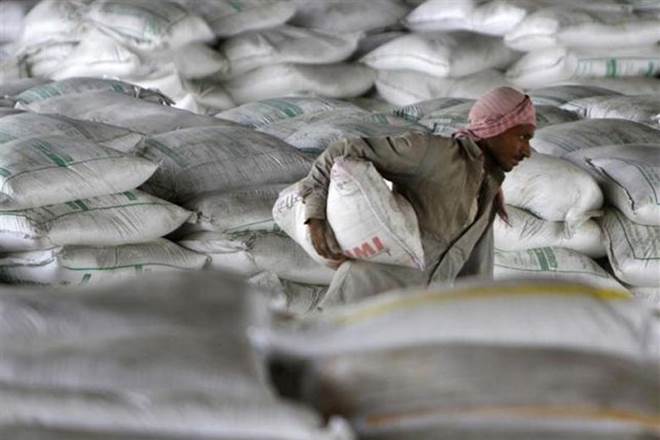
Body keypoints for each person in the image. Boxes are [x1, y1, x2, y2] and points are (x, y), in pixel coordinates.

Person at [299, 87, 536, 307]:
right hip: (360, 302)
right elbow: (342, 151)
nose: (527, 151)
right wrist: (315, 215)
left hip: (412, 316)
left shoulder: (489, 192)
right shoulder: (435, 153)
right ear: (495, 127)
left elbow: (475, 277)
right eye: (523, 137)